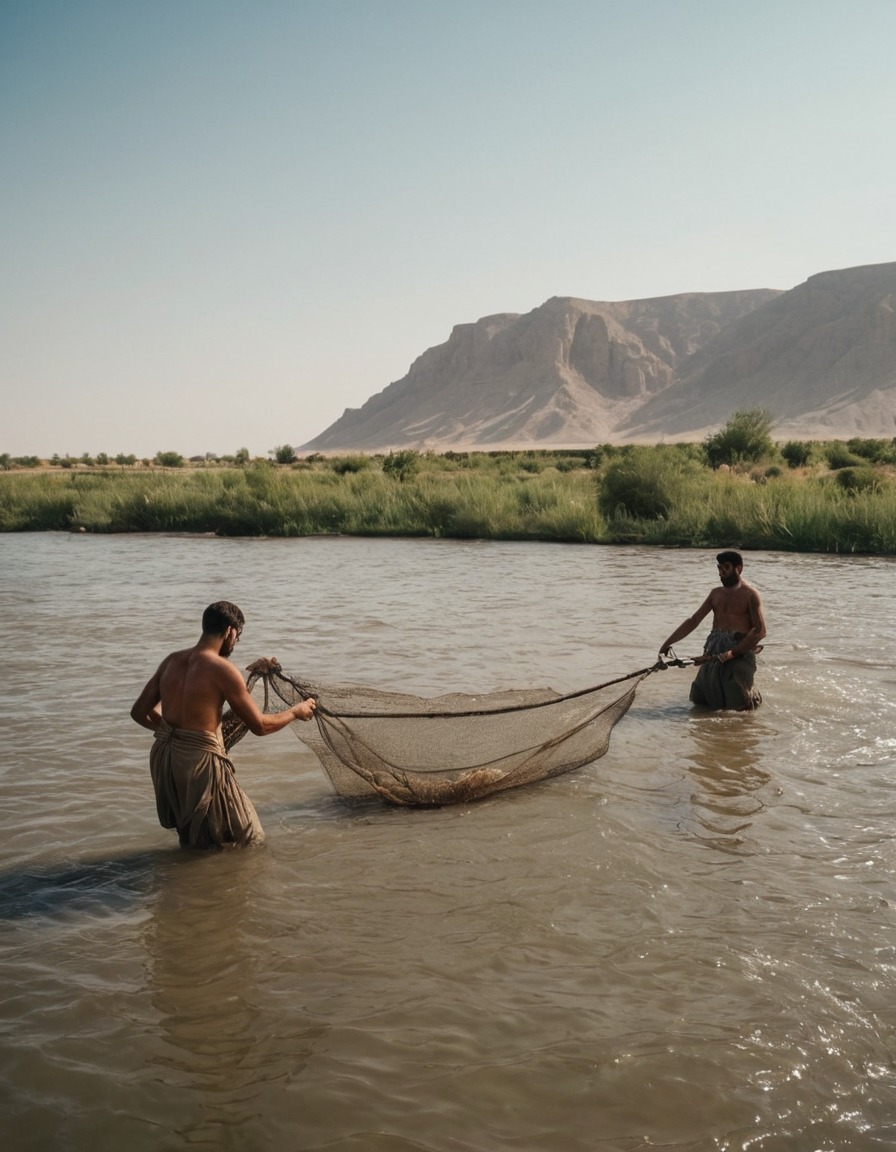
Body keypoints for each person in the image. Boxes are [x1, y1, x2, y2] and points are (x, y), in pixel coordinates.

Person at [130, 600, 316, 848]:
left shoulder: (171, 661)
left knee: (193, 837)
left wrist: (176, 735)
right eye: (237, 637)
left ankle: (191, 881)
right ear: (230, 631)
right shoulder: (223, 670)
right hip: (199, 763)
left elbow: (139, 712)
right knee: (248, 838)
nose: (235, 644)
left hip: (165, 758)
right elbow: (260, 726)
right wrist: (296, 711)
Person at [659, 551, 766, 711]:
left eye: (726, 567)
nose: (722, 572)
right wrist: (667, 644)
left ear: (739, 568)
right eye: (719, 567)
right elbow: (693, 621)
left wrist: (733, 653)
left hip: (739, 654)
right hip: (713, 652)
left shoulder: (750, 595)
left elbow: (760, 631)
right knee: (701, 698)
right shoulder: (716, 594)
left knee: (739, 705)